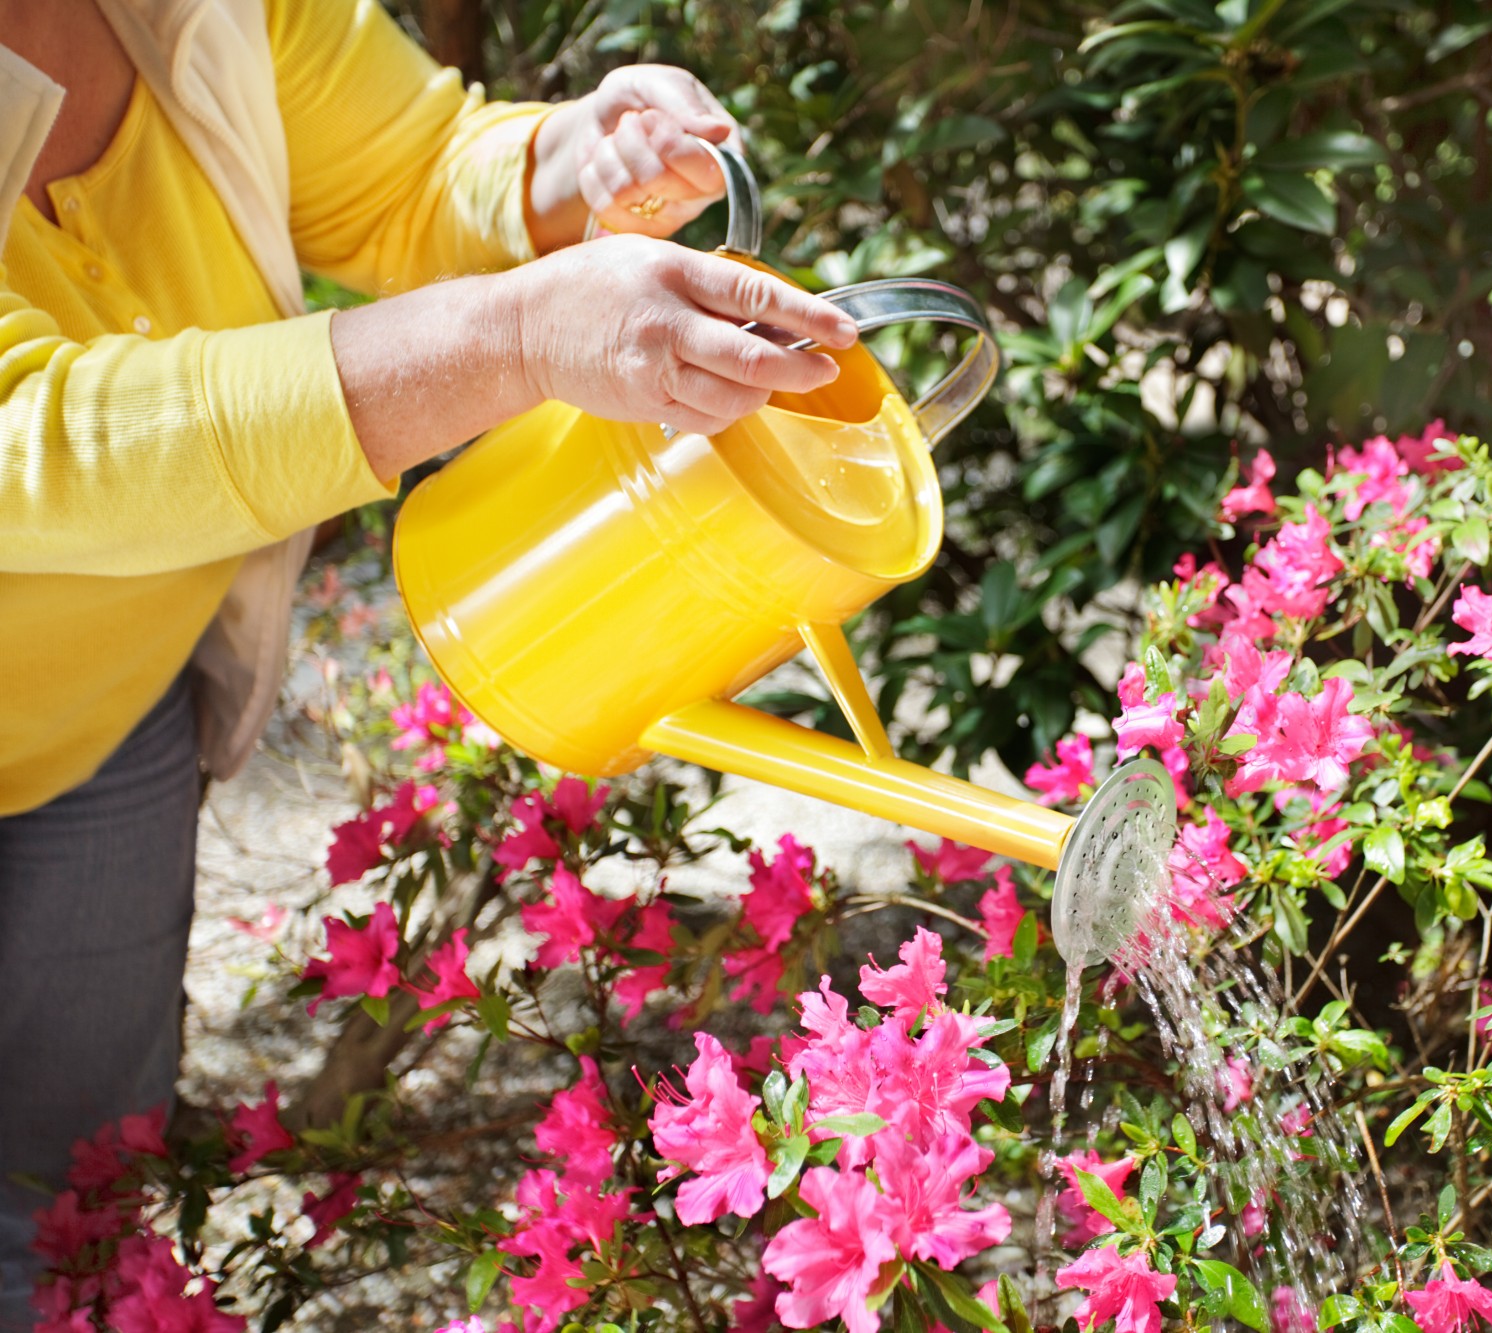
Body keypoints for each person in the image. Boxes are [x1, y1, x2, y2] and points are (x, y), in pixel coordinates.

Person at [0, 0, 858, 1321]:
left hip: (102, 726)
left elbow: (404, 168)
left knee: (69, 1221)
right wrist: (513, 337)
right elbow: (40, 437)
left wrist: (576, 165)